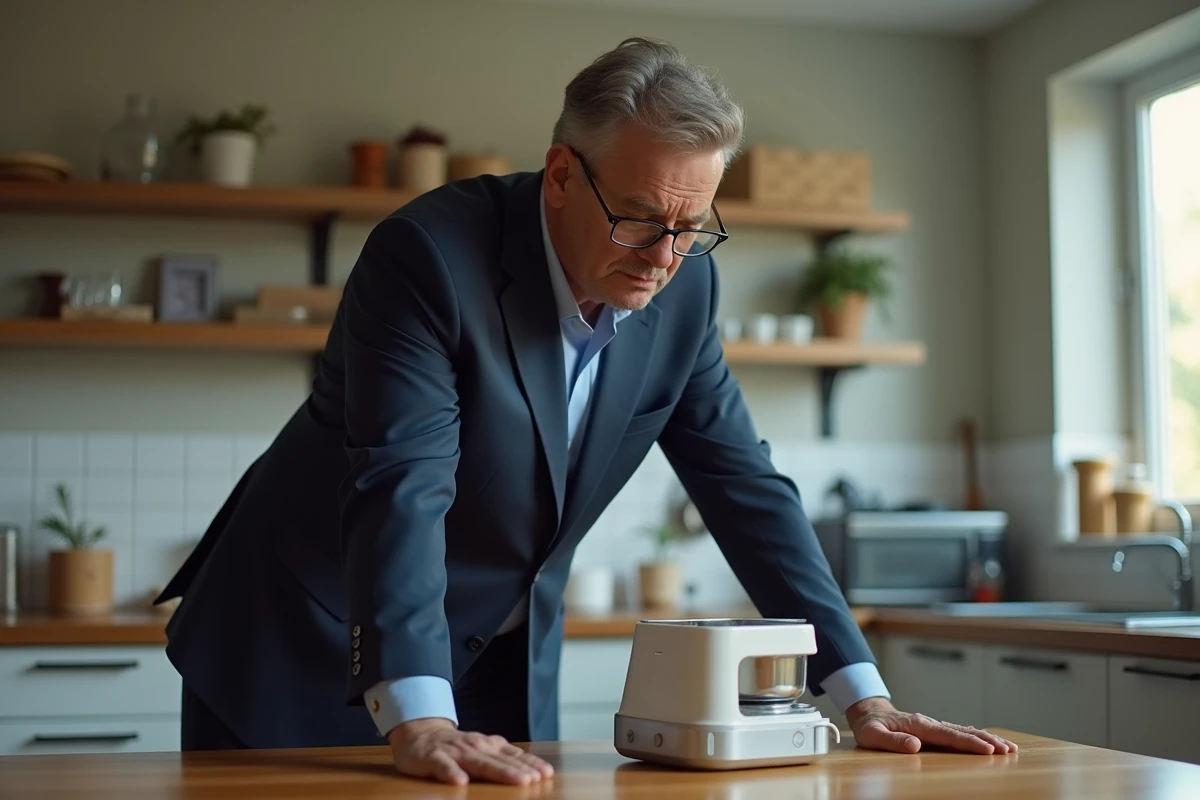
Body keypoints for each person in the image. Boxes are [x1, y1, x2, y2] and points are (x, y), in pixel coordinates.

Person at [156, 37, 1016, 786]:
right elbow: (403, 483)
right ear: (563, 173)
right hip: (302, 637)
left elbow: (744, 486)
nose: (665, 259)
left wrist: (862, 693)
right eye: (641, 220)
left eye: (693, 227)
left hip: (499, 654)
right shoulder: (426, 258)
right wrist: (418, 713)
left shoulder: (685, 291)